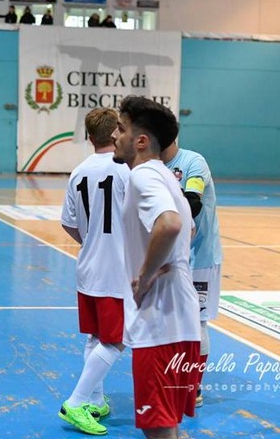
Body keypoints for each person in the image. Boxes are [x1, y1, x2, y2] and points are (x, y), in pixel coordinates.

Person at [111, 96, 200, 439]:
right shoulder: (167, 177)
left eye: (121, 129)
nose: (115, 136)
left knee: (159, 430)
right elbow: (188, 228)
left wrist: (145, 277)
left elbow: (171, 225)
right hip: (183, 322)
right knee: (170, 427)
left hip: (161, 326)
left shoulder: (143, 176)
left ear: (141, 140)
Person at [57, 108, 130, 436]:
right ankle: (76, 402)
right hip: (116, 269)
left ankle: (95, 401)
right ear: (116, 132)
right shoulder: (126, 170)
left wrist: (91, 239)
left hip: (87, 265)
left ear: (89, 136)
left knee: (96, 336)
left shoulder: (78, 171)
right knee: (116, 341)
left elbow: (68, 223)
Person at [161, 141, 223, 408]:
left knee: (197, 321)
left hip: (200, 258)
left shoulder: (193, 163)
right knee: (170, 321)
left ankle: (193, 386)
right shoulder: (153, 167)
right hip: (170, 256)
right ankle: (177, 376)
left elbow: (193, 201)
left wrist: (183, 223)